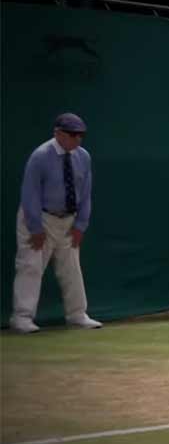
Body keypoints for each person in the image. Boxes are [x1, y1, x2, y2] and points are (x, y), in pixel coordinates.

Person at [9, 113, 102, 333]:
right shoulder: (40, 156)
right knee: (30, 266)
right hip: (40, 217)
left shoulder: (83, 157)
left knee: (71, 269)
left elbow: (85, 192)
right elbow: (30, 193)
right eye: (73, 134)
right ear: (58, 133)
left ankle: (77, 314)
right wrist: (35, 227)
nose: (78, 139)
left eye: (81, 135)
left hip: (68, 221)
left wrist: (80, 225)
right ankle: (22, 317)